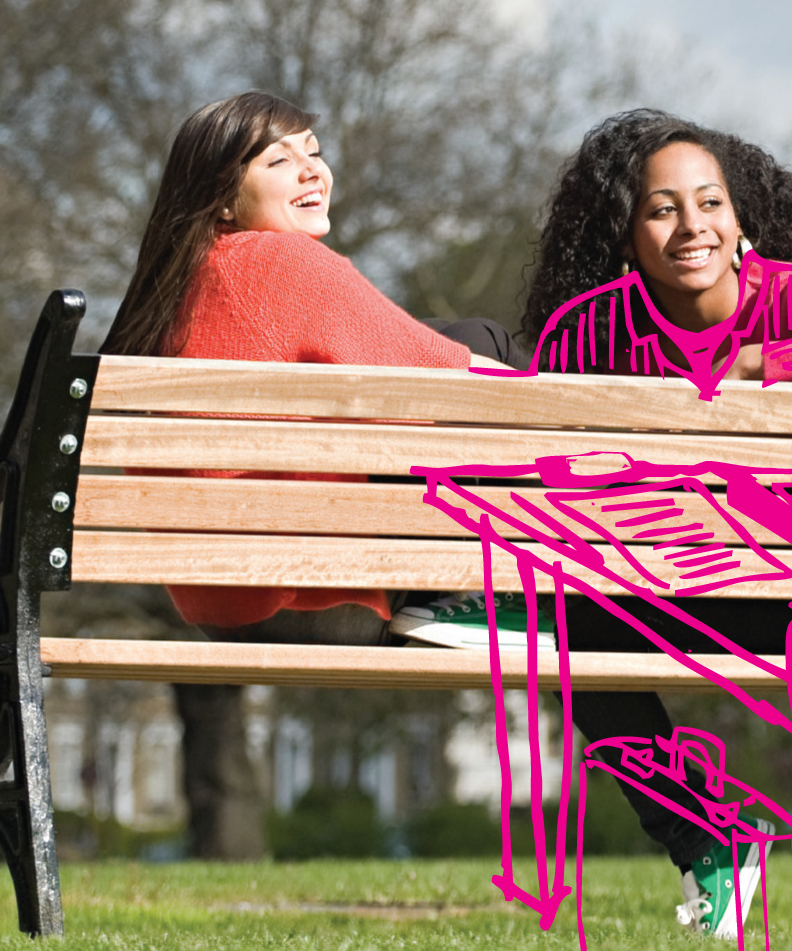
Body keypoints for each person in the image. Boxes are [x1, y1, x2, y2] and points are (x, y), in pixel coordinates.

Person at [396, 109, 792, 932]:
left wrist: (766, 363)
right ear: (627, 235)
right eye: (661, 209)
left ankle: (706, 834)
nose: (690, 226)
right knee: (578, 633)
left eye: (709, 203)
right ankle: (710, 839)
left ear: (740, 221)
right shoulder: (617, 340)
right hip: (768, 592)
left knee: (571, 631)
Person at [101, 90, 508, 643]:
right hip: (320, 599)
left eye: (313, 152)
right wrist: (581, 418)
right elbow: (455, 380)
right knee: (480, 341)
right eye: (279, 161)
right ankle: (474, 597)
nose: (312, 172)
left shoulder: (178, 289)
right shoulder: (278, 262)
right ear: (223, 201)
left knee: (434, 338)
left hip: (224, 610)